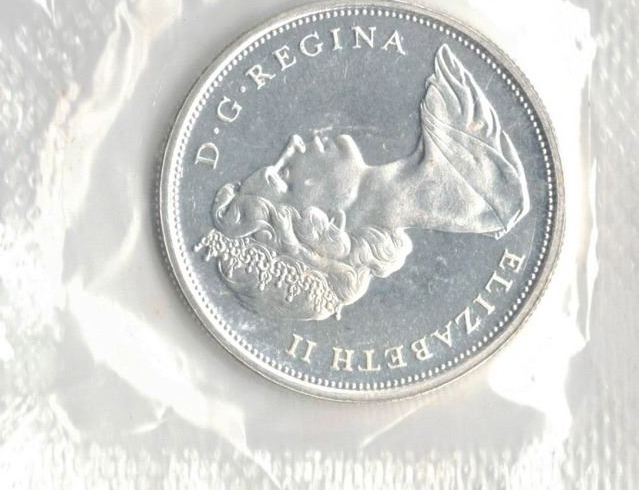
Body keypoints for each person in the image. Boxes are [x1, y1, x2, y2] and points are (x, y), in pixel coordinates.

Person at [197, 43, 529, 321]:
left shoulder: (446, 127)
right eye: (284, 176)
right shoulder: (490, 195)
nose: (292, 145)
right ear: (329, 222)